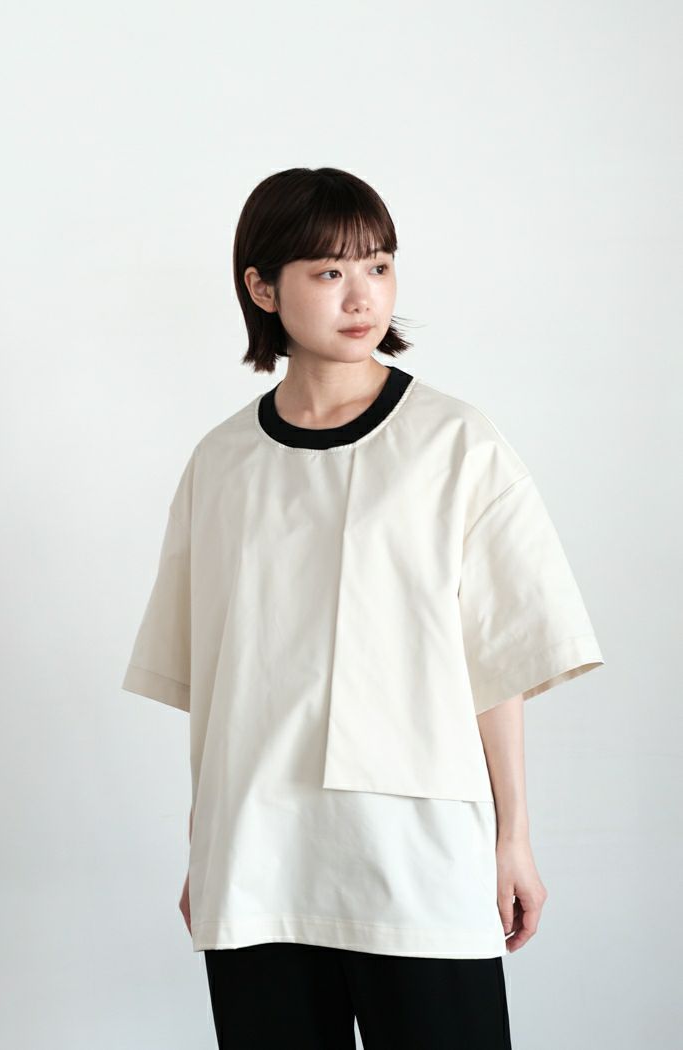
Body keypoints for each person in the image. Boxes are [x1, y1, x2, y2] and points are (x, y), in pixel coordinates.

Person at [121, 167, 605, 1048]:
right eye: (329, 271)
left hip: (418, 855)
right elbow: (217, 677)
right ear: (262, 288)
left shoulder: (456, 442)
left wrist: (513, 839)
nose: (362, 296)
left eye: (379, 266)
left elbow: (495, 661)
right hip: (259, 860)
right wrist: (209, 847)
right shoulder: (222, 463)